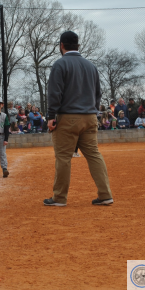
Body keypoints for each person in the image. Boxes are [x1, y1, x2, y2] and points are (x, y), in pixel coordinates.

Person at [44, 31, 113, 207]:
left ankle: (59, 197)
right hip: (90, 117)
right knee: (94, 155)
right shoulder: (91, 66)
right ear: (78, 46)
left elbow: (55, 93)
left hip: (68, 118)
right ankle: (105, 194)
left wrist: (51, 116)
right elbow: (98, 93)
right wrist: (93, 111)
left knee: (63, 158)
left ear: (62, 45)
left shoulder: (60, 65)